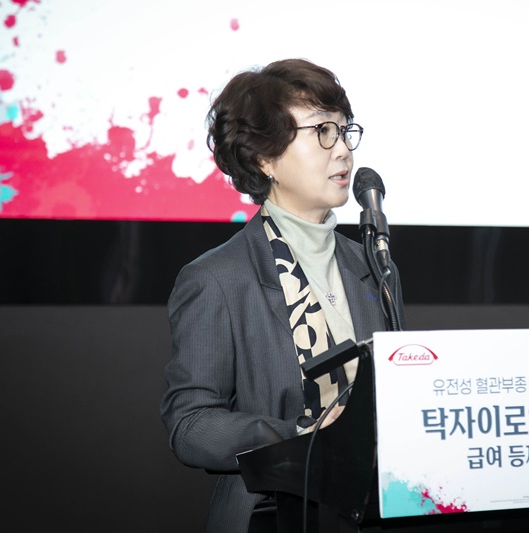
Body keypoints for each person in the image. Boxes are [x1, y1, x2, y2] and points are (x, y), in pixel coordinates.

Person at [160, 58, 405, 532]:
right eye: (322, 132)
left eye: (344, 130)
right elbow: (190, 424)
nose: (343, 151)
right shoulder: (217, 278)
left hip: (370, 513)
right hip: (272, 515)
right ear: (265, 159)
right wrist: (299, 436)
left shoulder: (373, 265)